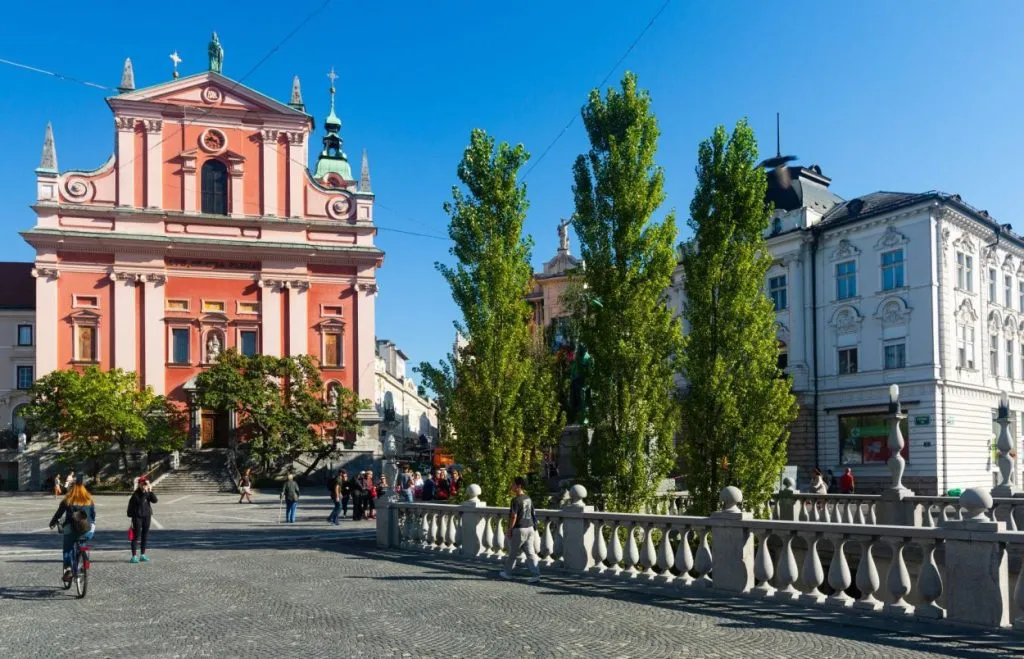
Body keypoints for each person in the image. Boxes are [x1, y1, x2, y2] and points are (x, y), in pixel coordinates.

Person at [48, 483, 96, 581]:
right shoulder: (89, 500)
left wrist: (52, 523)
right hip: (87, 529)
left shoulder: (67, 501)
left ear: (71, 490)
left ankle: (68, 570)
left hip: (71, 529)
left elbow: (58, 514)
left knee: (67, 548)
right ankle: (83, 561)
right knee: (82, 543)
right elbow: (93, 515)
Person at [498, 476, 540, 583]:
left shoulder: (515, 500)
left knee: (513, 553)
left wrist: (509, 529)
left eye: (513, 484)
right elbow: (532, 513)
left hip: (520, 529)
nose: (511, 486)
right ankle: (536, 574)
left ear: (519, 486)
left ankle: (507, 573)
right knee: (530, 553)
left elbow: (514, 516)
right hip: (530, 527)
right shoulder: (528, 498)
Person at [127, 476, 158, 563]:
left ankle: (143, 555)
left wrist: (150, 490)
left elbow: (155, 500)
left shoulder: (147, 492)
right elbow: (140, 502)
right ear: (139, 484)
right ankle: (134, 556)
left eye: (145, 483)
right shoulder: (135, 494)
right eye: (142, 483)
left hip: (147, 516)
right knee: (136, 536)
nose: (144, 485)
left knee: (145, 536)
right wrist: (145, 492)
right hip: (137, 517)